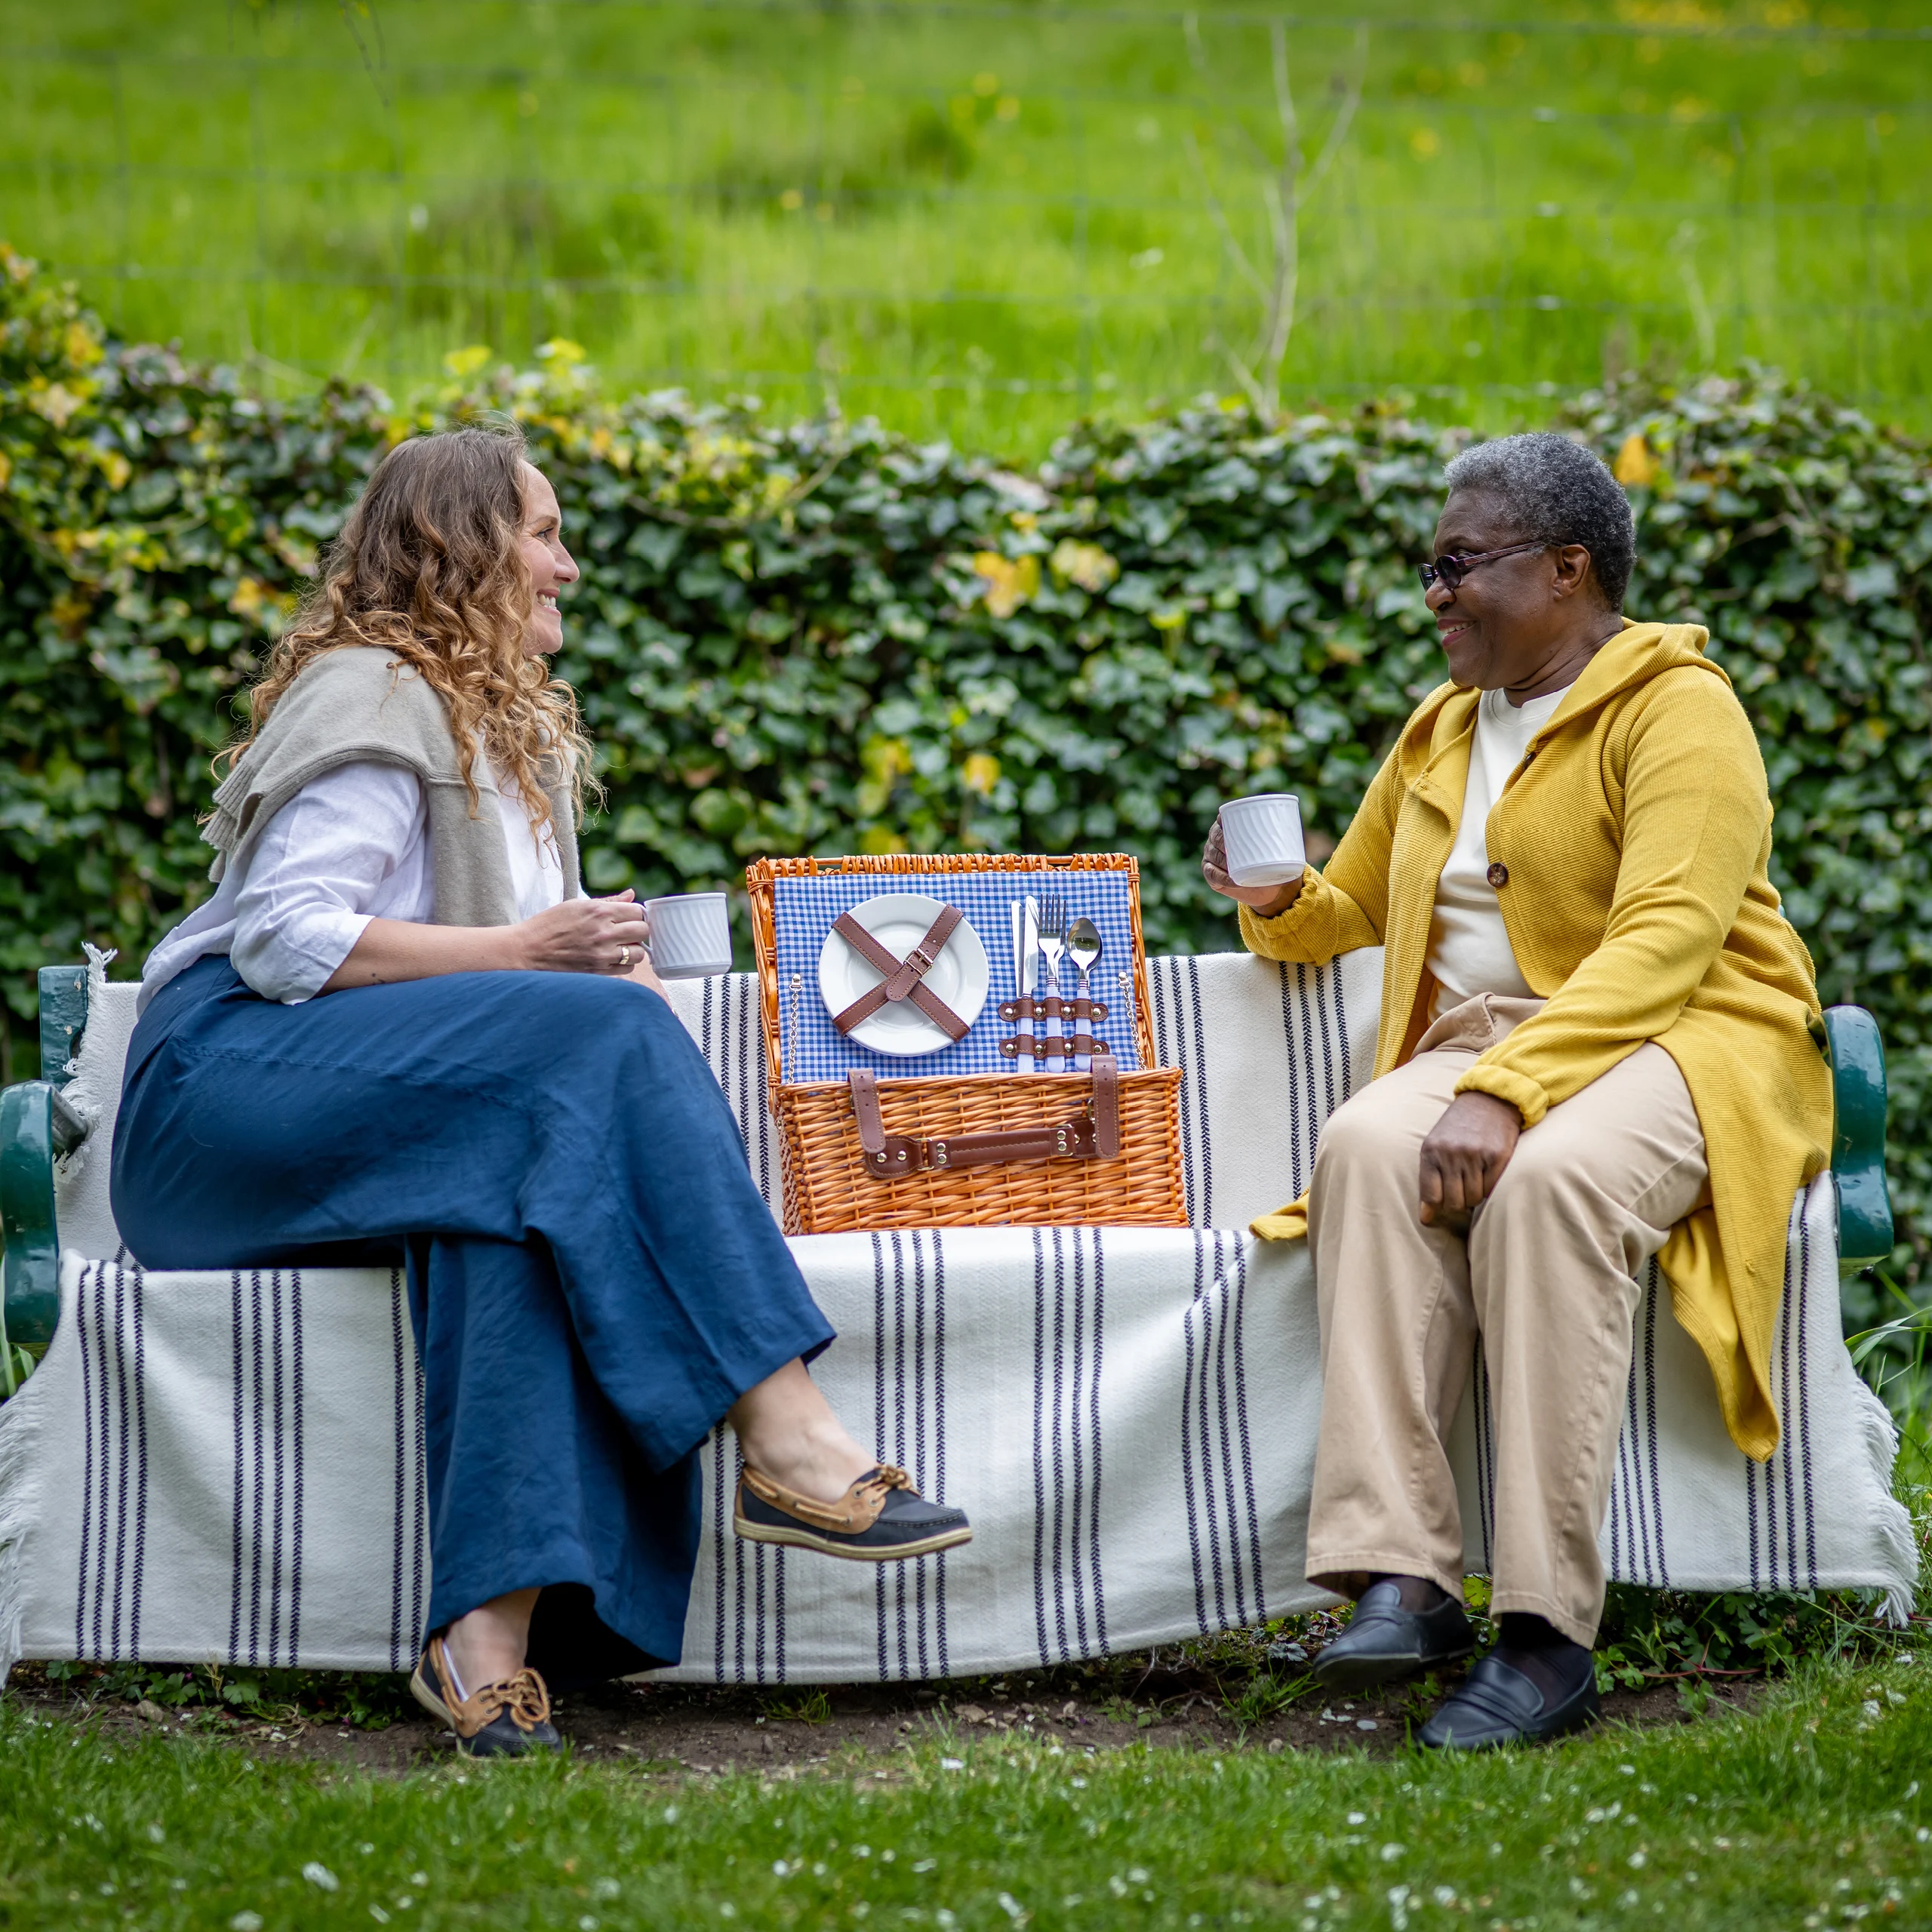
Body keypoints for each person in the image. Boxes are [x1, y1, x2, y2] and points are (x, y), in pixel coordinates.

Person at [111, 425, 970, 1758]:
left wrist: (578, 963)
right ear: (462, 547)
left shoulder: (509, 742)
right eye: (544, 532)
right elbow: (286, 940)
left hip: (375, 1114)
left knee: (520, 1210)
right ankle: (789, 1434)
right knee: (590, 1045)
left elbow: (518, 998)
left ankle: (485, 1647)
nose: (567, 564)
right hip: (223, 1098)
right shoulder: (370, 691)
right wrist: (532, 957)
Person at [1202, 432, 1830, 1750]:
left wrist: (1506, 1089)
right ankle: (1407, 1578)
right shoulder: (1442, 731)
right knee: (1367, 1143)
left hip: (1690, 1037)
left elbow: (1666, 942)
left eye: (1459, 563)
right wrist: (1276, 900)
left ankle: (1547, 1638)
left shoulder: (1679, 709)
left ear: (1567, 568)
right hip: (1502, 1044)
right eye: (1429, 566)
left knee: (1545, 1184)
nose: (1434, 592)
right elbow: (1355, 909)